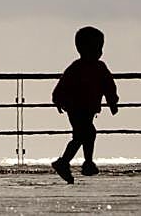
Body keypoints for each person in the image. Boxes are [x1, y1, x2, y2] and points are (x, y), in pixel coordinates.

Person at [50, 25, 119, 183]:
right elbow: (109, 86)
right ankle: (67, 162)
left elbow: (108, 86)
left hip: (81, 108)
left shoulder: (82, 67)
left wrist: (112, 101)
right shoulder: (91, 67)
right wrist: (112, 102)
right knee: (83, 134)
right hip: (76, 108)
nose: (100, 52)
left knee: (86, 134)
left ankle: (86, 163)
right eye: (97, 48)